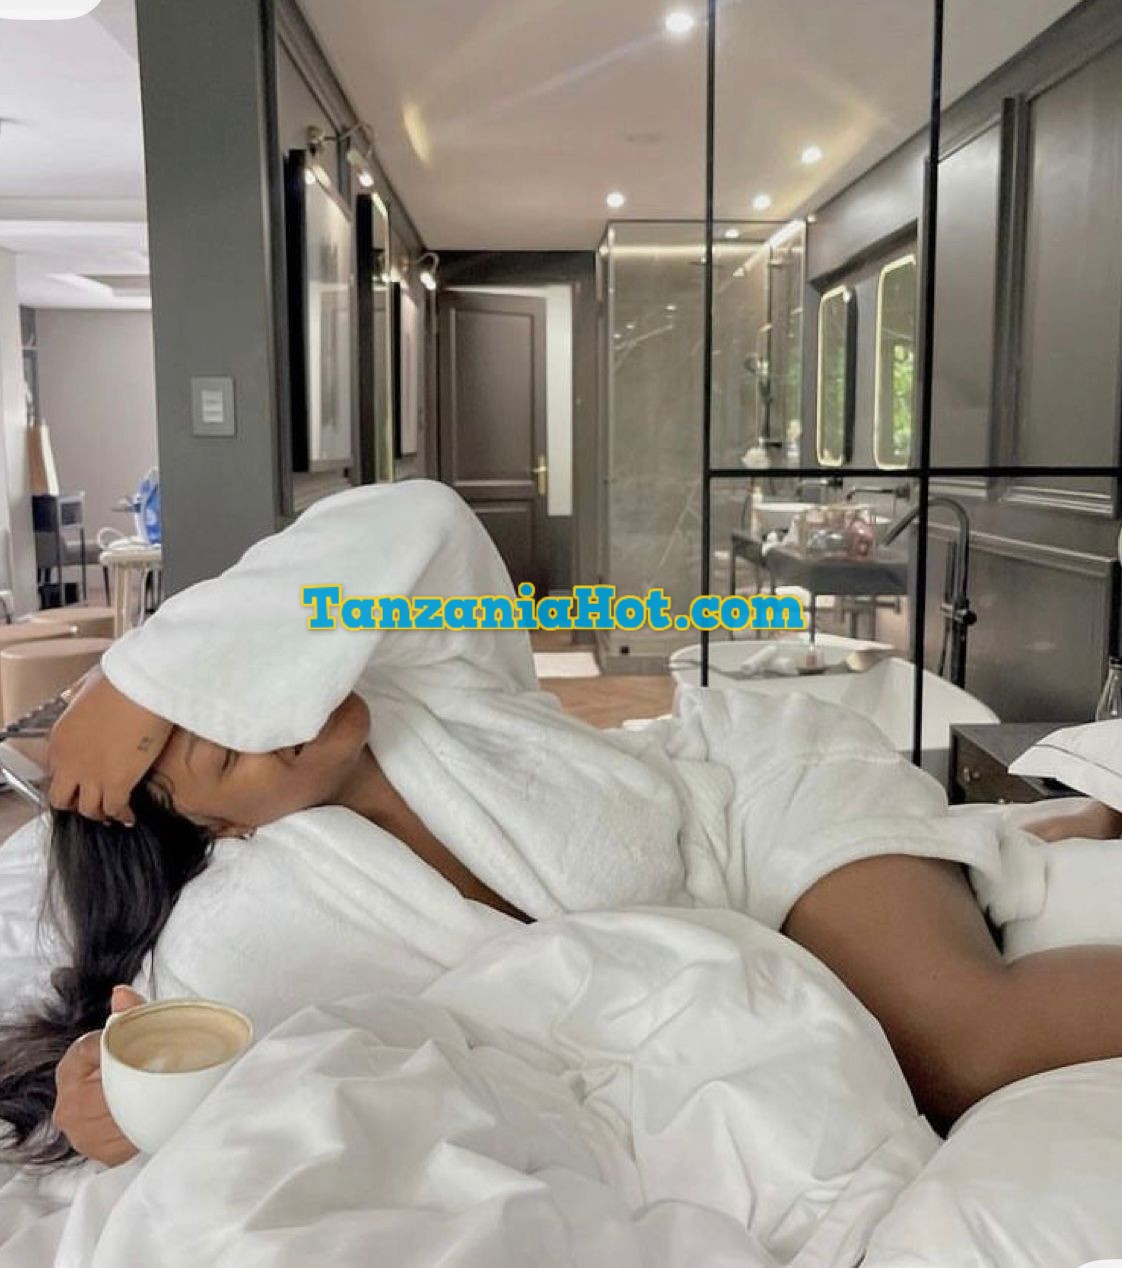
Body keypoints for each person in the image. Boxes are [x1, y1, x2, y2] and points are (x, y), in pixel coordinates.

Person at [5, 480, 1122, 1170]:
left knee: (960, 1049)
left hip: (757, 802)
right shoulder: (253, 917)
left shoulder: (416, 669)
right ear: (224, 837)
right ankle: (1013, 846)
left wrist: (143, 677)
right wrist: (117, 1107)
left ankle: (966, 856)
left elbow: (422, 519)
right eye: (227, 749)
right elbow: (198, 1050)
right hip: (749, 955)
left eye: (243, 684)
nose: (281, 716)